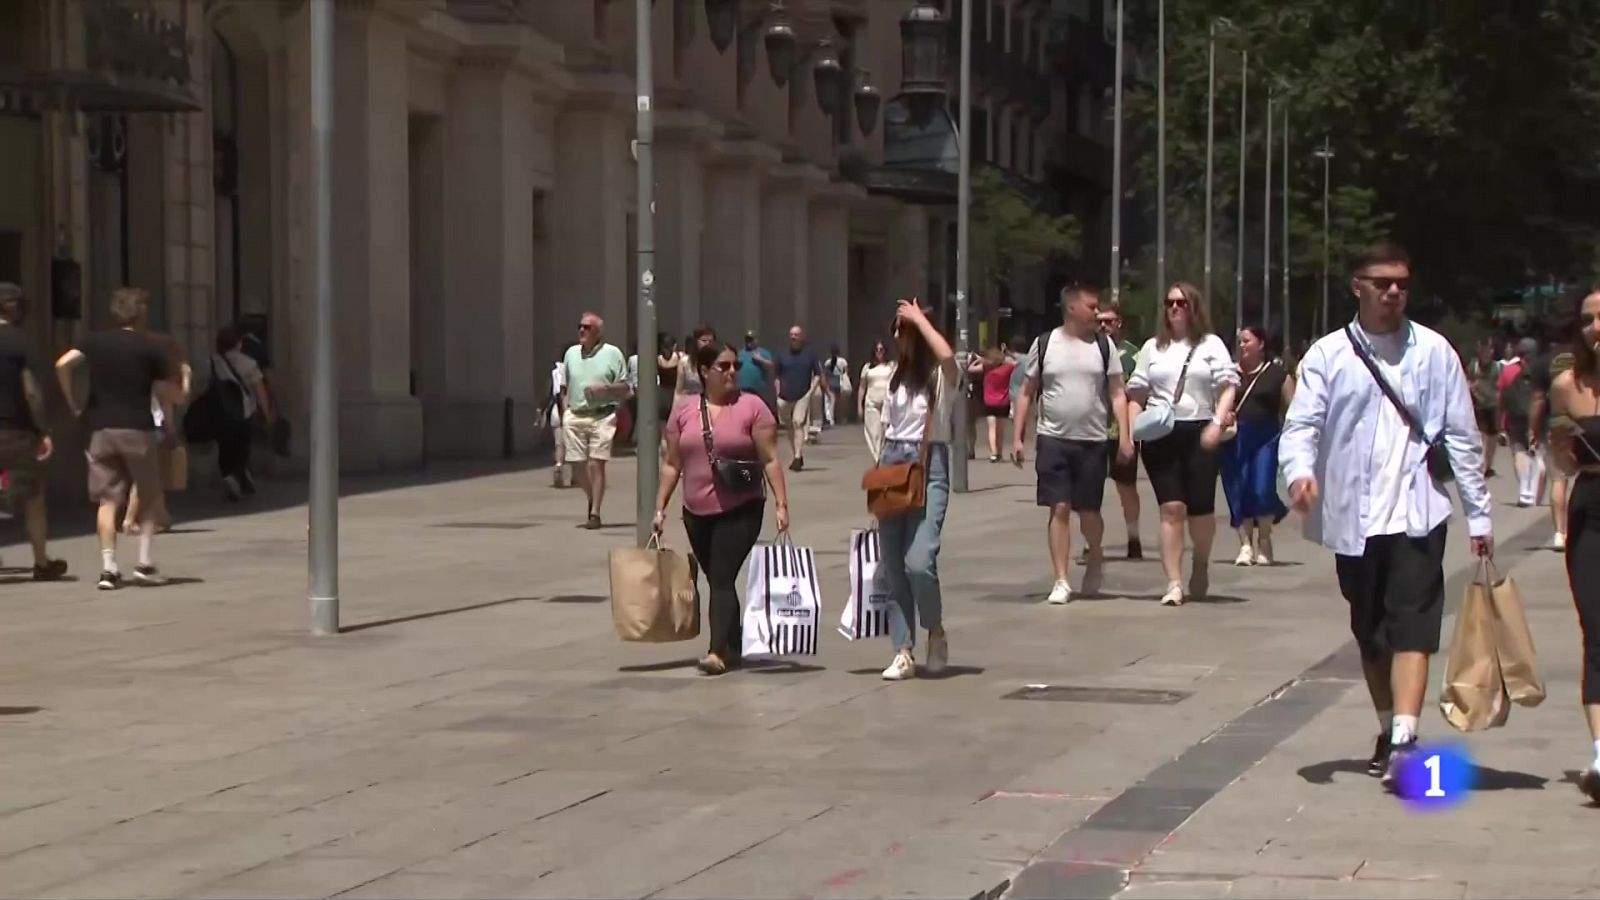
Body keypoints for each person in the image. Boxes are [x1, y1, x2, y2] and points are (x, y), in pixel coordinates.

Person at [1280, 241, 1492, 791]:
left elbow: (1464, 437)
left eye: (1402, 282)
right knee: (1371, 632)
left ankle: (1405, 739)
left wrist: (1481, 517)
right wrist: (1299, 474)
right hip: (1353, 515)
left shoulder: (1434, 352)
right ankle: (1386, 725)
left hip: (1418, 510)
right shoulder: (1328, 355)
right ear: (1358, 286)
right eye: (1382, 283)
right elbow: (1301, 426)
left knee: (1413, 626)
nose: (1394, 292)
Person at [654, 342, 790, 676]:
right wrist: (660, 508)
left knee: (722, 576)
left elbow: (770, 458)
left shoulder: (752, 407)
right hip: (696, 512)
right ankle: (734, 640)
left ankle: (717, 652)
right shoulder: (684, 410)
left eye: (735, 366)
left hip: (741, 508)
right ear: (703, 371)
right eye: (723, 367)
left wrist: (781, 504)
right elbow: (672, 464)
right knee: (719, 578)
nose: (732, 372)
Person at [54, 287, 181, 590]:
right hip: (137, 428)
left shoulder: (94, 341)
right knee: (149, 496)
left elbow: (62, 364)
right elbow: (164, 393)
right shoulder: (151, 347)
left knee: (107, 500)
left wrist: (72, 402)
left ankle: (108, 568)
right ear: (141, 313)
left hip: (101, 430)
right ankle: (145, 564)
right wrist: (171, 427)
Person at [1012, 284, 1132, 605]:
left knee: (1089, 512)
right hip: (1053, 438)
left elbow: (1118, 393)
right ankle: (1061, 579)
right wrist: (1018, 436)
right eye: (1092, 307)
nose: (1098, 314)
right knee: (1060, 507)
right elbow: (1027, 391)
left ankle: (1095, 555)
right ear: (1072, 309)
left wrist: (1125, 436)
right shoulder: (1046, 343)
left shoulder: (1104, 346)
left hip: (1092, 440)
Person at [1127, 282, 1240, 606]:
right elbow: (1137, 392)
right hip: (1162, 433)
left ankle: (1200, 562)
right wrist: (1132, 430)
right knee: (1171, 507)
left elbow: (1228, 386)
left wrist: (1217, 424)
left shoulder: (1211, 345)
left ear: (1194, 307)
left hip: (1201, 430)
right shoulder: (1152, 348)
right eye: (1169, 303)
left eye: (1181, 302)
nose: (1175, 308)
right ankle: (1174, 582)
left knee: (1201, 510)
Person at [874, 299, 958, 681]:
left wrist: (920, 319)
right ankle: (902, 649)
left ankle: (935, 630)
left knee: (919, 561)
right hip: (892, 465)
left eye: (902, 329)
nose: (897, 336)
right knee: (893, 565)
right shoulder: (892, 377)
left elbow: (946, 356)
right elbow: (883, 429)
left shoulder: (939, 378)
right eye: (896, 329)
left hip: (929, 464)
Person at [1547, 285, 1600, 800]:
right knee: (1596, 628)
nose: (1596, 328)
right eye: (1588, 319)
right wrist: (1564, 449)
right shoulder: (1568, 385)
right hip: (1593, 510)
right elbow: (1562, 460)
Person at [0, 283, 67, 581]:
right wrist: (43, 430)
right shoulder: (20, 342)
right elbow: (32, 393)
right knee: (33, 497)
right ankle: (41, 561)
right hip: (15, 431)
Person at [1220, 325, 1292, 566]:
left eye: (1247, 341)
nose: (1242, 346)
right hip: (1235, 437)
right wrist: (1223, 416)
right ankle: (1244, 545)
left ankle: (1264, 538)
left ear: (1261, 344)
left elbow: (1294, 408)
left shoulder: (1277, 374)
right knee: (1237, 489)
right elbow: (1217, 403)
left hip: (1266, 437)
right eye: (1239, 342)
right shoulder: (1229, 375)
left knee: (1261, 488)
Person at [562, 312, 630, 530]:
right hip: (575, 414)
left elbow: (625, 388)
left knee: (596, 463)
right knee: (576, 464)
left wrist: (605, 389)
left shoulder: (613, 353)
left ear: (597, 332)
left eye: (587, 327)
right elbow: (564, 385)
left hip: (603, 414)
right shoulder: (571, 353)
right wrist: (565, 409)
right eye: (580, 326)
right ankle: (593, 496)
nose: (582, 331)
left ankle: (595, 513)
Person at [1097, 303, 1144, 559]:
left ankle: (1133, 536)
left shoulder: (1132, 356)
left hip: (1120, 432)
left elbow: (1136, 395)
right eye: (1099, 321)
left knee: (1126, 487)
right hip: (1091, 432)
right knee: (1089, 490)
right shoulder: (1088, 351)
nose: (1103, 325)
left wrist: (1129, 435)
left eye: (1109, 321)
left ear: (1119, 323)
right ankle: (1091, 540)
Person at [211, 326, 274, 502]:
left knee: (225, 446)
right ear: (238, 343)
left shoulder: (214, 361)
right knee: (242, 446)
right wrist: (267, 412)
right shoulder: (248, 363)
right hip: (244, 411)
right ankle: (237, 476)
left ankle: (228, 475)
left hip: (220, 411)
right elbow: (260, 390)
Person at [1532, 321, 1575, 549]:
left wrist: (1534, 429)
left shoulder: (1542, 362)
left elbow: (1538, 400)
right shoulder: (1586, 355)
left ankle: (1560, 532)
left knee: (1558, 479)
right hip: (1588, 421)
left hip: (1555, 424)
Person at [775, 325, 824, 471]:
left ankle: (797, 456)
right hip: (784, 397)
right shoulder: (782, 354)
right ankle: (797, 454)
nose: (793, 337)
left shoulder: (810, 354)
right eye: (791, 335)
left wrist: (811, 391)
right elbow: (776, 375)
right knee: (789, 425)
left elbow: (817, 374)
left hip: (802, 395)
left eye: (796, 335)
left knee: (798, 422)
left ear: (802, 337)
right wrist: (777, 392)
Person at [1500, 336, 1541, 506]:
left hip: (1515, 417)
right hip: (1538, 416)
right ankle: (1534, 492)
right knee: (1537, 454)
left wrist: (1500, 423)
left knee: (1519, 452)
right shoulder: (1540, 369)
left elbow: (1501, 397)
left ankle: (1524, 490)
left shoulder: (1508, 370)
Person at [1467, 339, 1502, 477]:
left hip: (1493, 406)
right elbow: (1468, 379)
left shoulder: (1497, 367)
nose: (1487, 353)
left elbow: (1501, 386)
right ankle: (1480, 465)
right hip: (1478, 405)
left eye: (1489, 349)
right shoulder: (1473, 365)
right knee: (1480, 435)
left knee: (1492, 437)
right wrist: (1472, 388)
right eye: (1483, 350)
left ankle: (1488, 465)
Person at [977, 345, 1016, 463]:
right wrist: (1007, 354)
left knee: (991, 428)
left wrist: (980, 360)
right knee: (1000, 429)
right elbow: (1016, 362)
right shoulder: (1007, 368)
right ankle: (999, 451)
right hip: (1003, 402)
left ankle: (993, 453)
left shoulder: (986, 368)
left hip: (989, 402)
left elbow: (969, 368)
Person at [859, 340, 893, 460]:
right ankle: (877, 457)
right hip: (871, 402)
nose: (879, 352)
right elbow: (862, 387)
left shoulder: (891, 366)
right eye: (877, 350)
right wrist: (860, 405)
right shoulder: (867, 367)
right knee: (874, 432)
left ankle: (883, 456)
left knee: (885, 432)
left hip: (886, 402)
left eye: (882, 349)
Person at [737, 331, 777, 413]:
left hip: (759, 391)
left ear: (756, 340)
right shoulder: (740, 353)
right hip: (743, 390)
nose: (749, 342)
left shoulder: (763, 352)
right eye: (747, 340)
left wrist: (760, 359)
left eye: (751, 340)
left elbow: (771, 366)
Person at [676, 324, 718, 399]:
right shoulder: (684, 362)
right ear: (696, 342)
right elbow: (678, 391)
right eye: (704, 341)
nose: (707, 344)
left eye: (710, 341)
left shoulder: (718, 362)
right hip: (689, 403)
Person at [823, 344, 850, 428]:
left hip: (831, 381)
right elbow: (846, 372)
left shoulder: (828, 362)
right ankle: (841, 417)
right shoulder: (843, 361)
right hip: (840, 381)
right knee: (841, 402)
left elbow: (826, 373)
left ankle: (831, 419)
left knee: (831, 401)